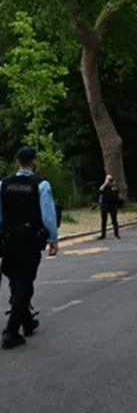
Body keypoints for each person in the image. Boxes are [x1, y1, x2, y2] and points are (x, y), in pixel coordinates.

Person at [0, 147, 59, 349]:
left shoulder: (3, 184)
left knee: (15, 280)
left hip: (8, 240)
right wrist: (53, 239)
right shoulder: (41, 185)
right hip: (30, 239)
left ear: (17, 161)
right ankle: (12, 331)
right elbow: (48, 216)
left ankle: (26, 321)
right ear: (34, 161)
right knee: (25, 283)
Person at [98, 175, 122, 239]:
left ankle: (116, 234)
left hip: (113, 206)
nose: (109, 181)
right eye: (108, 179)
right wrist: (105, 183)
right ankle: (103, 235)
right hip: (104, 205)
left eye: (110, 179)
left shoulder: (114, 187)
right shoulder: (104, 187)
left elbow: (117, 192)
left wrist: (113, 184)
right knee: (104, 221)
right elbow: (100, 190)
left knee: (114, 220)